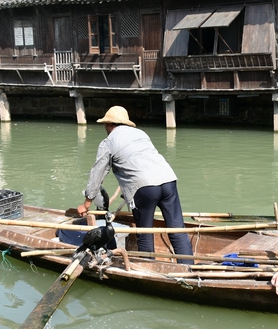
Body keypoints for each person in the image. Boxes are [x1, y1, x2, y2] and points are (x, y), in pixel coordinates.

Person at [76, 106, 194, 262]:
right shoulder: (141, 134)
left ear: (110, 124)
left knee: (144, 232)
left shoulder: (108, 142)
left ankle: (149, 267)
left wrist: (86, 204)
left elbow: (97, 174)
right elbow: (142, 160)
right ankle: (188, 268)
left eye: (105, 124)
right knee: (178, 230)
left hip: (144, 188)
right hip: (168, 181)